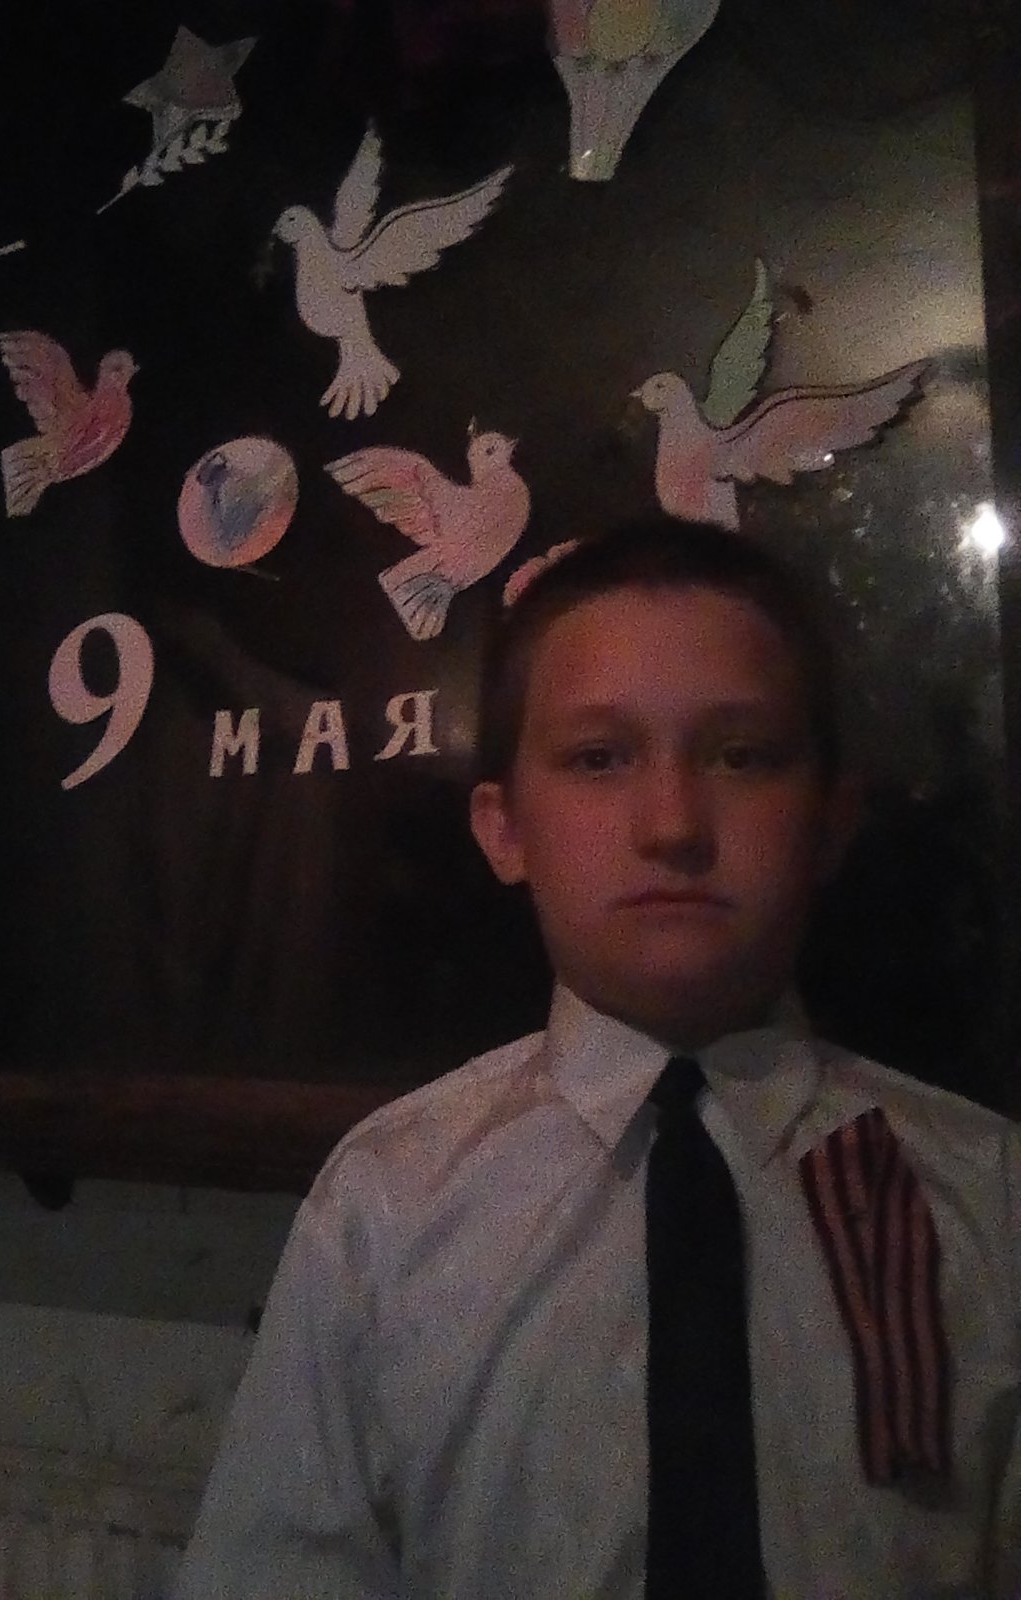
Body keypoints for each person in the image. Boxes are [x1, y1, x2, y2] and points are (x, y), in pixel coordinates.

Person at [174, 515, 1020, 1600]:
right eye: (598, 758)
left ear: (829, 821)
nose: (672, 825)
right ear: (504, 829)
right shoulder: (385, 1206)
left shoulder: (987, 1199)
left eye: (742, 756)